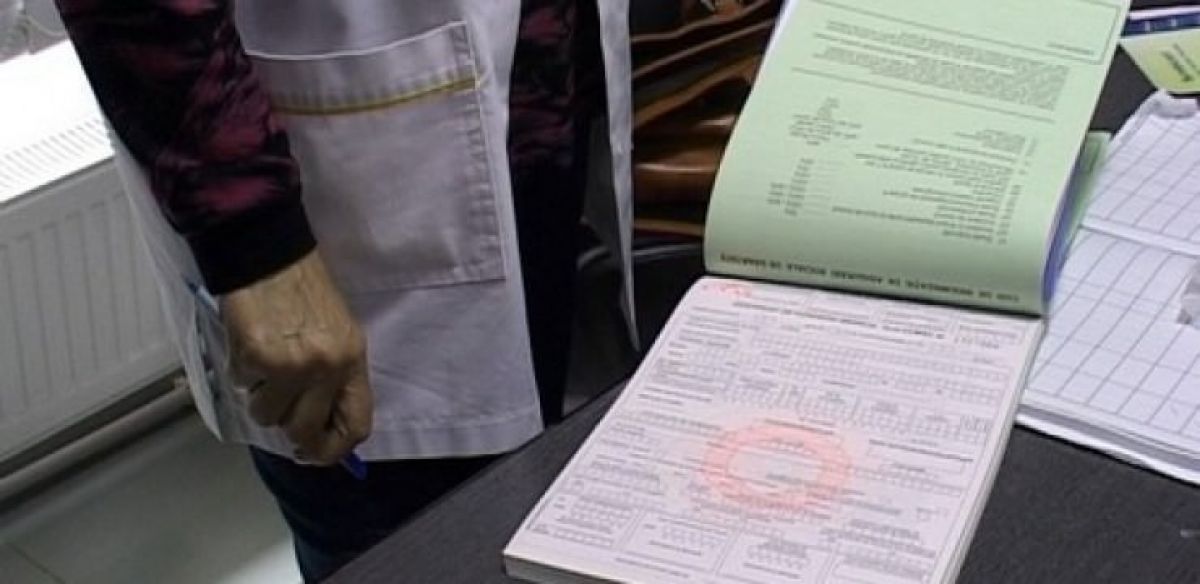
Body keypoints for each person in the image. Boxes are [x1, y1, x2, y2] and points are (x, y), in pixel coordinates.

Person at [49, 0, 635, 580]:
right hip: (344, 208)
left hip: (540, 145)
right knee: (410, 547)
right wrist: (257, 245)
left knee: (532, 512)